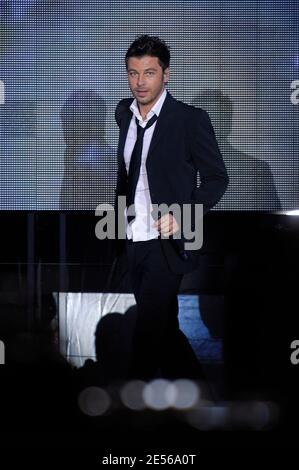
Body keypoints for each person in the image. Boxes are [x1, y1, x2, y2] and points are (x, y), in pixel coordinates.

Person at [114, 35, 229, 381]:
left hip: (167, 244)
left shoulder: (189, 120)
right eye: (133, 73)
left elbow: (216, 179)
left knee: (147, 331)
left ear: (167, 75)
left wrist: (181, 216)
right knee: (165, 331)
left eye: (149, 73)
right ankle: (199, 399)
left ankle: (129, 406)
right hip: (133, 239)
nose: (140, 82)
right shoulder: (125, 115)